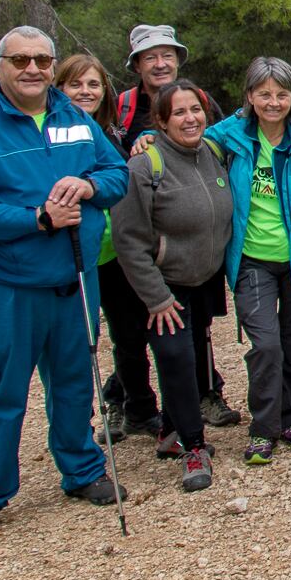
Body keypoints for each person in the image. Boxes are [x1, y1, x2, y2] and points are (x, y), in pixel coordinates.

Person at [0, 27, 130, 537]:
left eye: (43, 61)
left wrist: (89, 184)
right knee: (2, 389)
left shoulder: (75, 119)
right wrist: (38, 219)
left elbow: (118, 175)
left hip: (74, 278)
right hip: (6, 285)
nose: (33, 70)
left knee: (73, 382)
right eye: (21, 60)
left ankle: (83, 469)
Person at [207, 58, 291, 467]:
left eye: (282, 94)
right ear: (249, 96)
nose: (273, 102)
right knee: (266, 345)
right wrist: (146, 137)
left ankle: (289, 418)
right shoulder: (229, 138)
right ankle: (262, 428)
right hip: (252, 260)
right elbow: (184, 139)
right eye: (264, 94)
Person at [110, 80, 236, 494]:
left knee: (194, 358)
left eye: (195, 110)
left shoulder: (213, 154)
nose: (190, 118)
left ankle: (169, 429)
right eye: (178, 112)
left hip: (202, 280)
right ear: (160, 121)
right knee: (177, 361)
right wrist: (157, 296)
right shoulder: (145, 167)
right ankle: (193, 446)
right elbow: (127, 240)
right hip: (163, 288)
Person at [55, 53, 159, 442]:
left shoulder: (115, 134)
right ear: (59, 88)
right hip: (68, 252)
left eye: (93, 84)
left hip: (115, 251)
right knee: (79, 341)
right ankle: (85, 423)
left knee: (130, 335)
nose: (85, 92)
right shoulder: (51, 134)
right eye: (75, 84)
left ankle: (140, 409)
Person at [114, 23, 187, 149]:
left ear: (177, 61)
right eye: (150, 58)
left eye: (167, 56)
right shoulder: (120, 107)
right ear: (137, 65)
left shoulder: (201, 100)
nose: (160, 64)